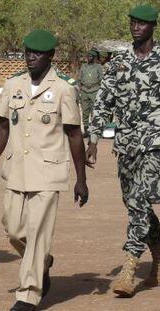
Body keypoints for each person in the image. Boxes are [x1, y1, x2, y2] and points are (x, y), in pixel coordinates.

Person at [0, 29, 88, 311]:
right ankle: (42, 261)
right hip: (17, 170)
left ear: (50, 56)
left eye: (37, 53)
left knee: (38, 232)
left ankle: (28, 294)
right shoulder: (13, 84)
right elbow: (2, 127)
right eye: (27, 52)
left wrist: (81, 179)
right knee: (14, 229)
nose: (30, 58)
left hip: (49, 174)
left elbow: (74, 135)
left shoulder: (65, 88)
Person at [87, 4, 160, 298]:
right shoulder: (119, 62)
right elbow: (103, 101)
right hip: (126, 145)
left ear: (153, 26)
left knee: (141, 199)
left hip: (155, 143)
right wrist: (93, 139)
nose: (135, 27)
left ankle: (129, 268)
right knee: (134, 203)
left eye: (142, 24)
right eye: (132, 23)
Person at [78, 50, 103, 138]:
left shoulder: (98, 67)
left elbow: (101, 80)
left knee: (94, 111)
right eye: (88, 56)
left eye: (91, 56)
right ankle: (86, 130)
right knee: (85, 111)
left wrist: (100, 91)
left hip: (95, 90)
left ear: (94, 57)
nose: (89, 58)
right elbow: (79, 79)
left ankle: (94, 131)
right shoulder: (83, 66)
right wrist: (79, 90)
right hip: (84, 90)